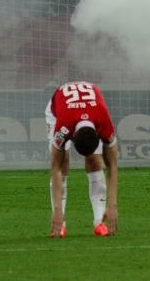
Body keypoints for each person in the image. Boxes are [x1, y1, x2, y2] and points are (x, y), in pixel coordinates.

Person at [46, 81, 119, 238]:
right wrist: (57, 211)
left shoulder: (104, 123)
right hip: (58, 111)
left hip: (90, 108)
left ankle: (100, 222)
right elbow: (55, 168)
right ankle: (60, 225)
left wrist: (112, 205)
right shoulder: (63, 128)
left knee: (95, 161)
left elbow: (112, 165)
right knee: (63, 163)